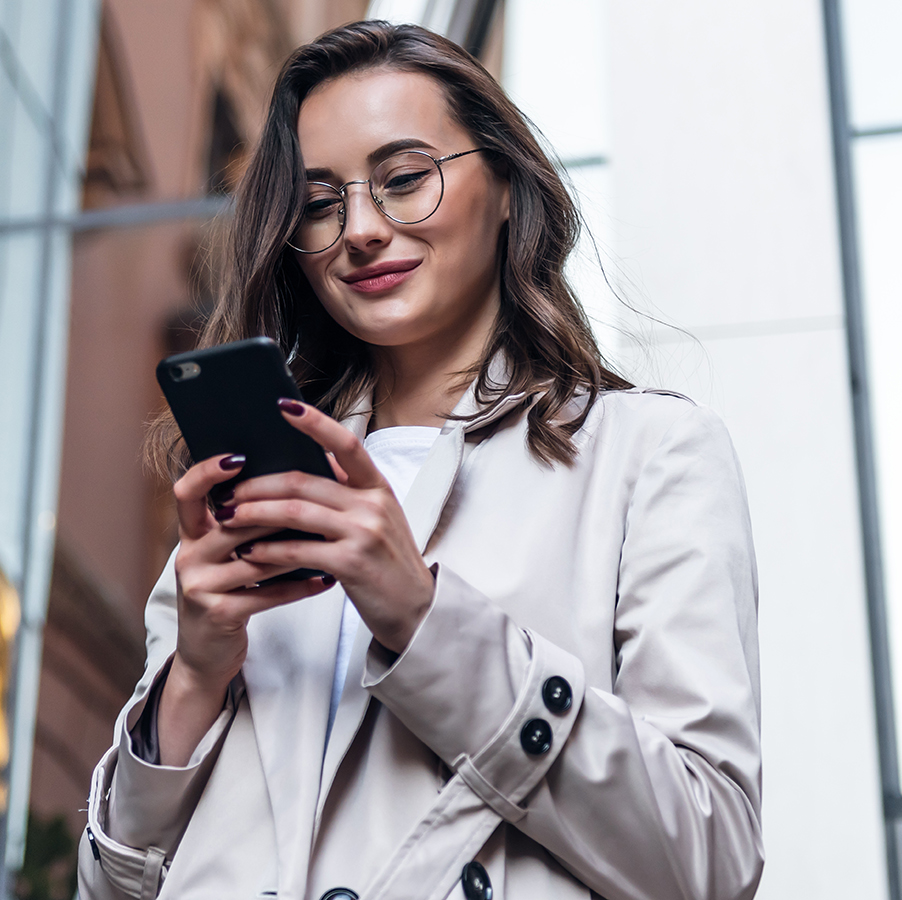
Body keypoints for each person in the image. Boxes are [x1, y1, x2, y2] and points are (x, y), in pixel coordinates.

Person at [78, 20, 762, 900]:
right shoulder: (255, 493)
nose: (359, 229)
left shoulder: (650, 457)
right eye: (321, 204)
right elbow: (113, 888)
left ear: (509, 185)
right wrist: (194, 677)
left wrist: (425, 619)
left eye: (404, 180)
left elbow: (710, 861)